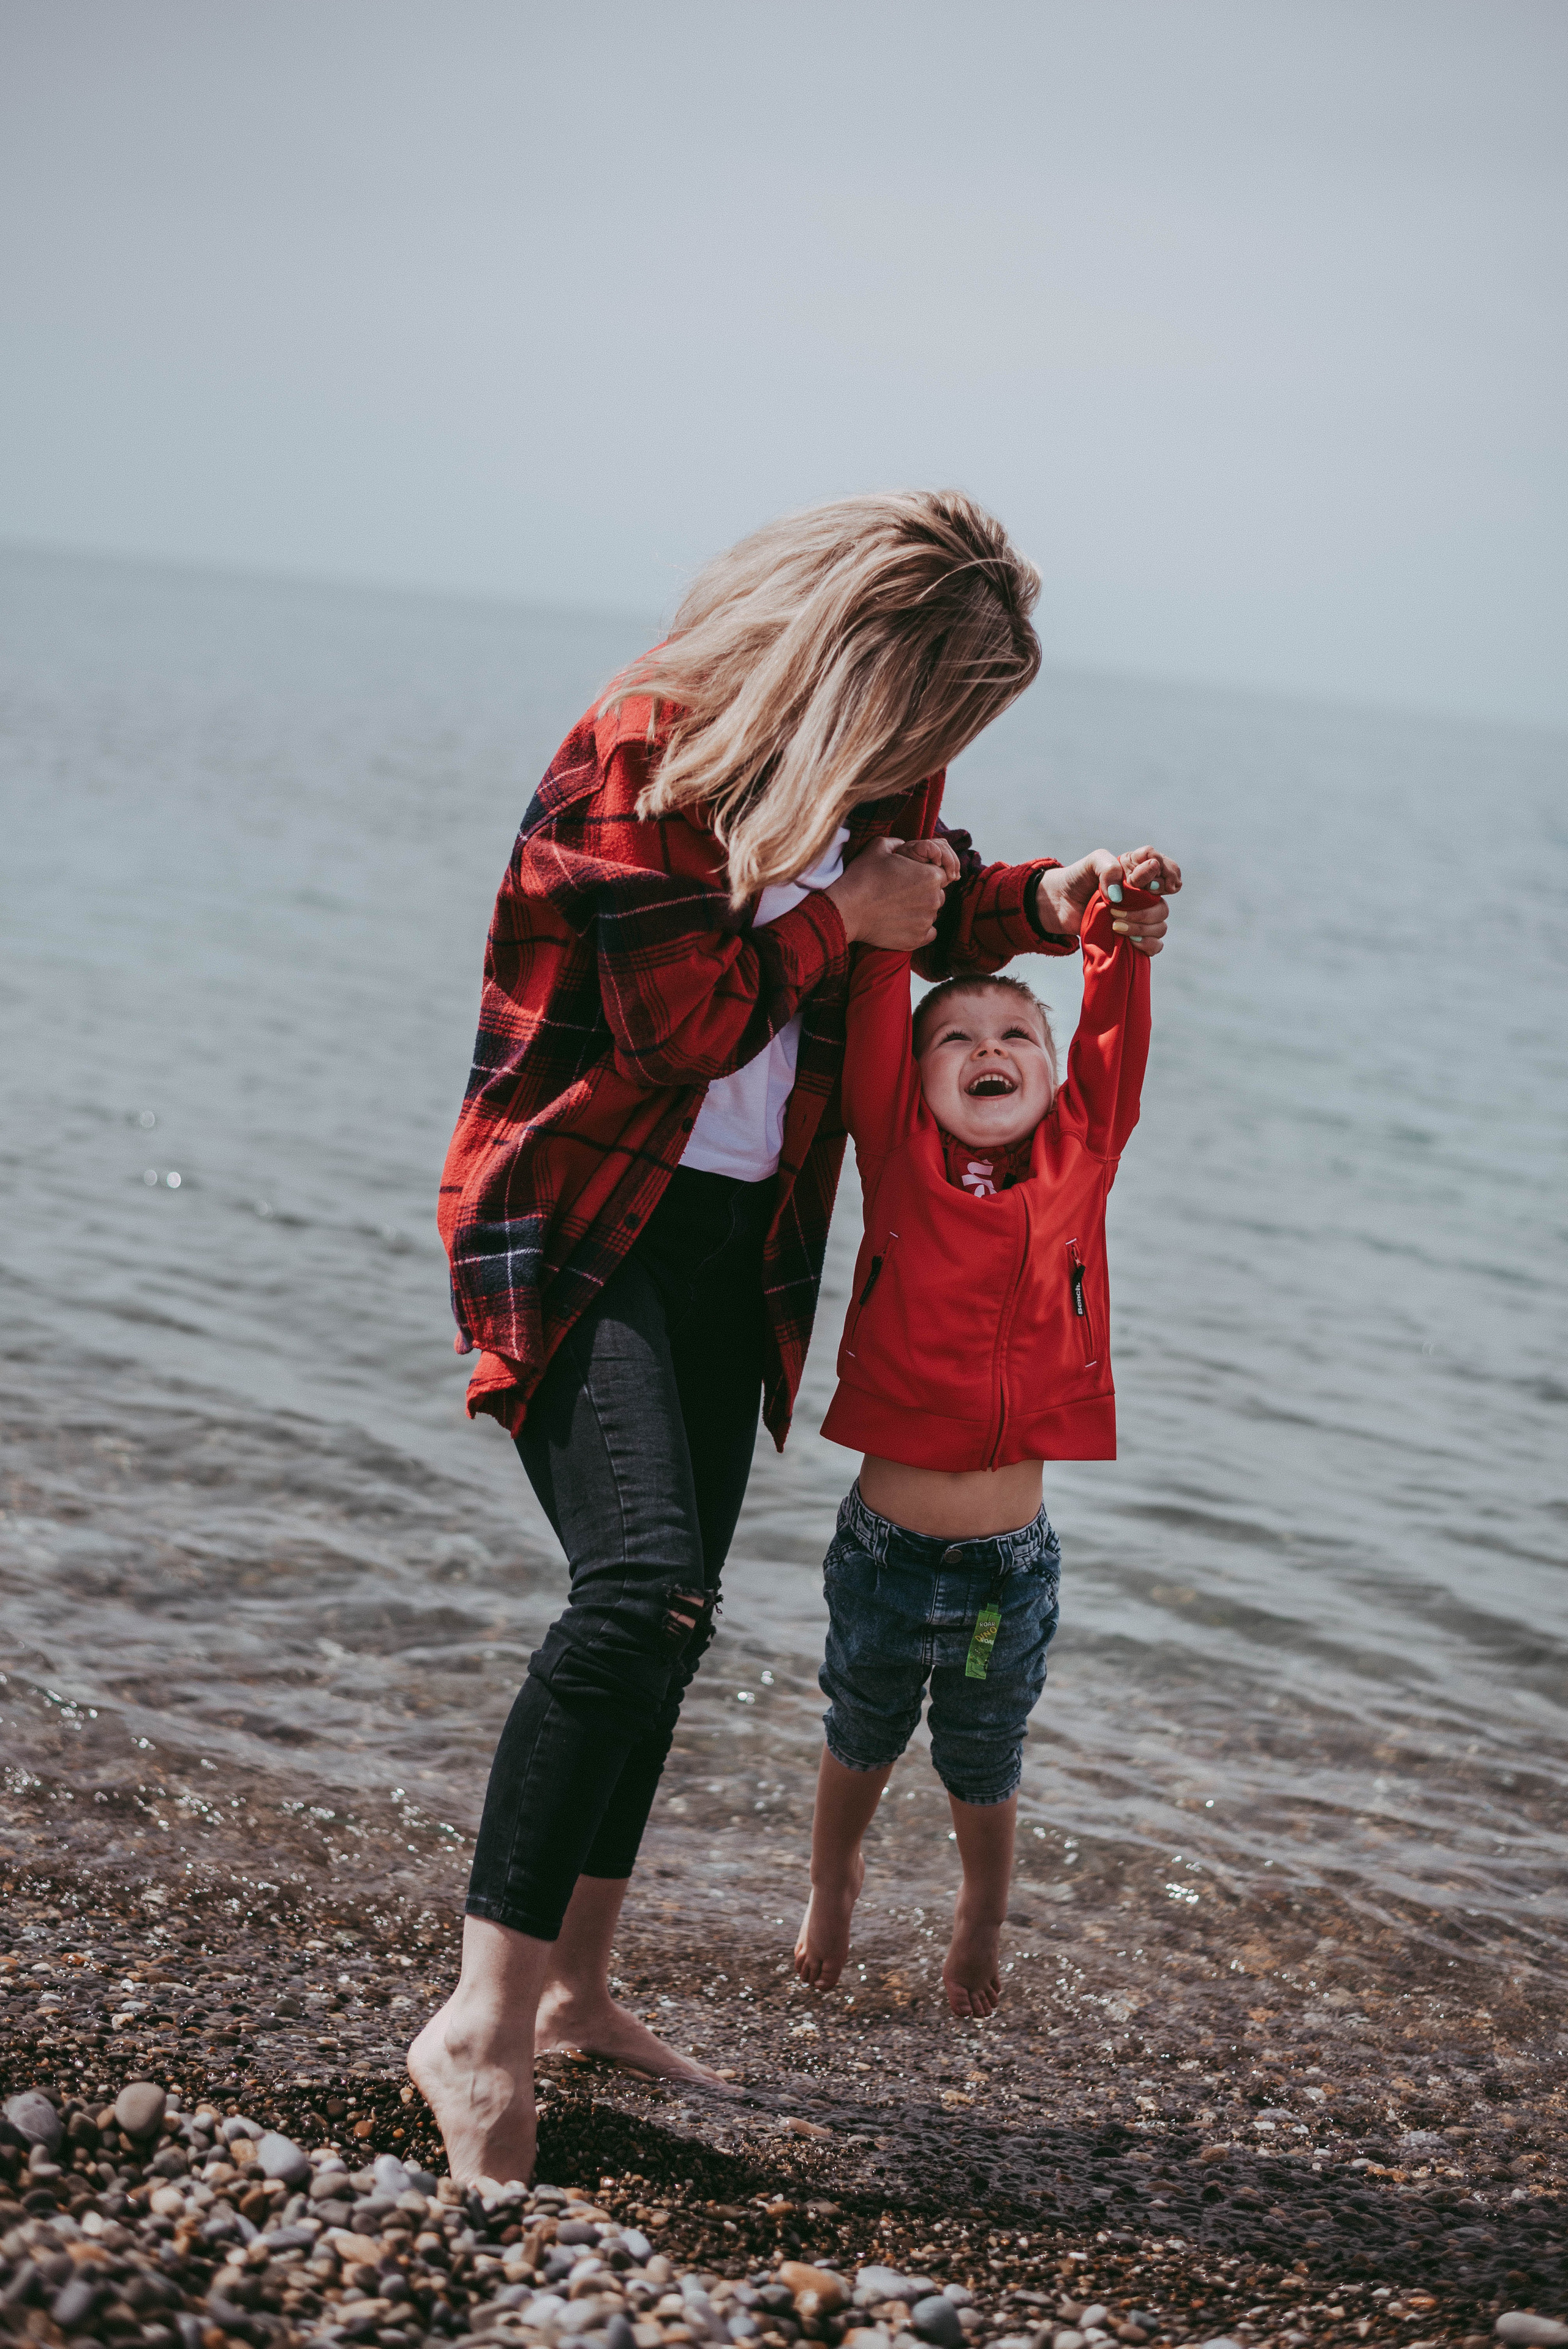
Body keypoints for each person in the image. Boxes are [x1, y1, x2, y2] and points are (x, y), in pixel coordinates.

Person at [409, 491, 1174, 2185]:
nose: (937, 753)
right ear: (864, 660)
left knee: (671, 1625)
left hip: (732, 1244)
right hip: (577, 1215)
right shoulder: (644, 749)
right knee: (635, 1591)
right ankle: (474, 2019)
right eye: (936, 713)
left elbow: (934, 900)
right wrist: (851, 918)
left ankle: (574, 1999)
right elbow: (679, 1017)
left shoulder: (879, 781)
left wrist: (1063, 902)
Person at [793, 846, 1179, 2016]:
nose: (989, 1051)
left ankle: (977, 1916)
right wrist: (889, 916)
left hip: (1006, 1570)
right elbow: (874, 1001)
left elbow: (1115, 1038)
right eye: (956, 1038)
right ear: (915, 1080)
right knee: (859, 1727)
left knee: (981, 1747)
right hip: (883, 1549)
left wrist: (1115, 921)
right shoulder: (895, 1152)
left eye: (1017, 1037)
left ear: (1056, 1079)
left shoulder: (1080, 1163)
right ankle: (834, 1877)